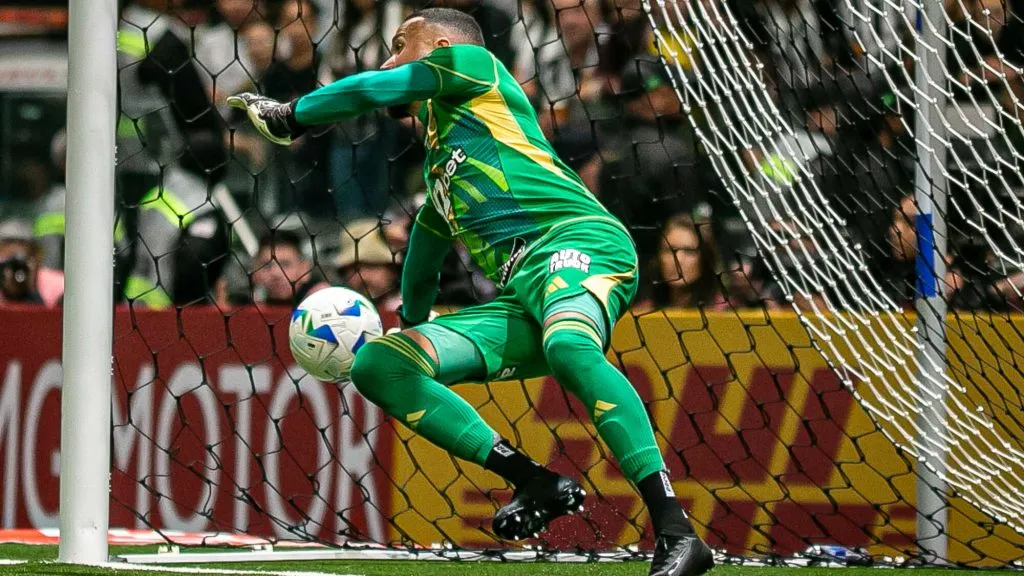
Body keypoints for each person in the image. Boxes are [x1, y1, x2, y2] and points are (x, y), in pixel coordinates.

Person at [228, 9, 714, 575]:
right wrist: (411, 324)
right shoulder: (441, 165)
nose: (389, 60)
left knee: (569, 348)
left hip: (577, 242)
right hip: (523, 296)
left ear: (437, 45)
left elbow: (382, 84)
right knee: (380, 366)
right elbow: (424, 258)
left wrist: (296, 114)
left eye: (399, 45)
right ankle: (535, 482)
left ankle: (676, 531)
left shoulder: (476, 67)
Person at [251, 230, 330, 306]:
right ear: (255, 271)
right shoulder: (250, 302)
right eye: (267, 265)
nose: (275, 273)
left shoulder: (324, 300)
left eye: (285, 264)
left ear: (304, 269)